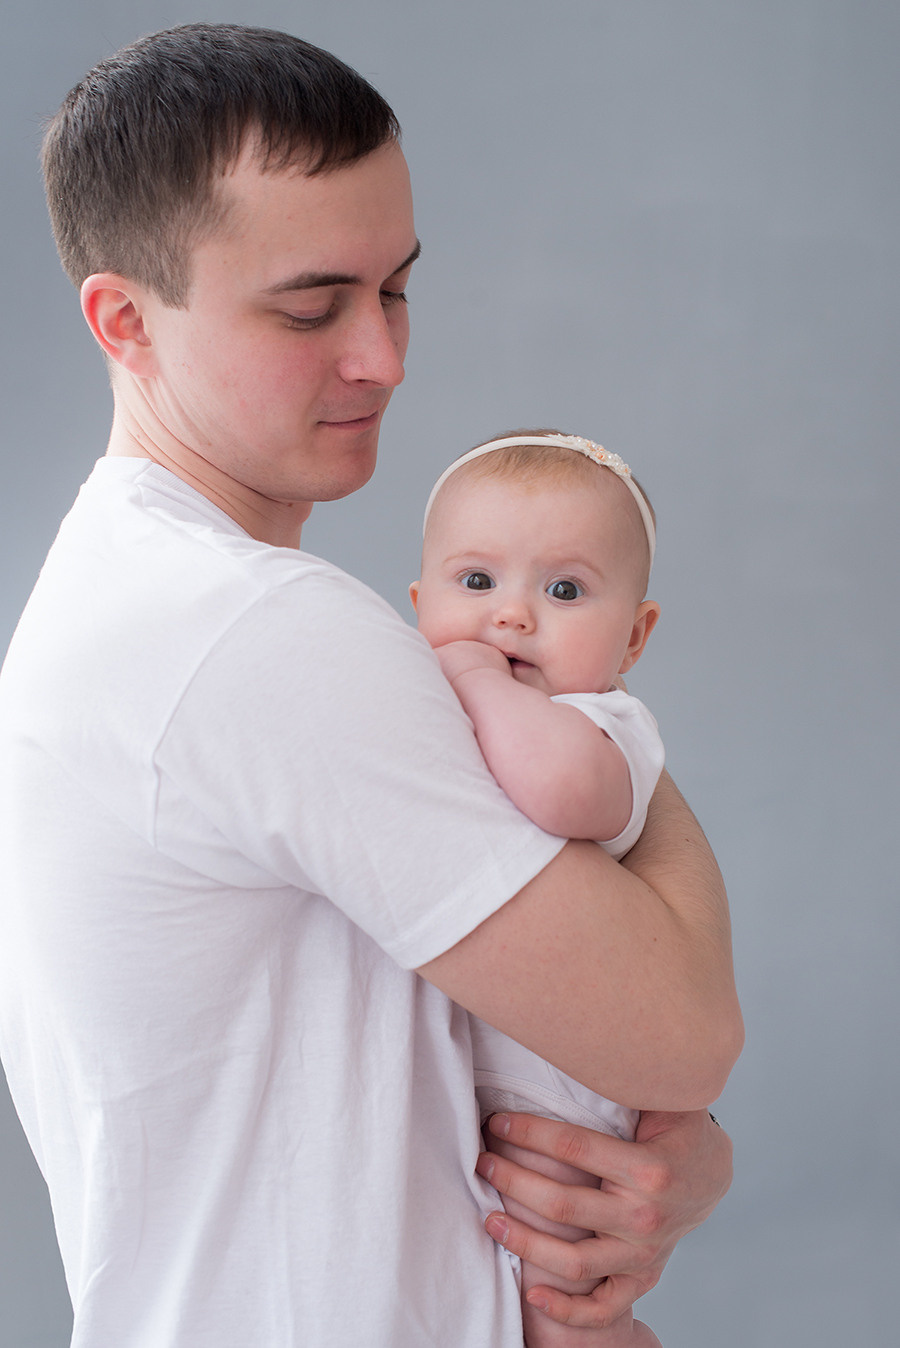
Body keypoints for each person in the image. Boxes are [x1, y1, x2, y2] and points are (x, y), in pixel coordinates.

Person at [0, 23, 742, 1348]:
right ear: (125, 321)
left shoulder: (127, 597)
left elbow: (523, 1062)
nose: (386, 359)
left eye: (396, 289)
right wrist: (615, 740)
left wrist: (663, 1168)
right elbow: (681, 1034)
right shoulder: (247, 634)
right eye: (311, 306)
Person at [411, 430, 671, 1346]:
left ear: (633, 636)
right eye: (475, 583)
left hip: (562, 1114)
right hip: (472, 1108)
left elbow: (556, 790)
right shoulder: (414, 706)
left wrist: (476, 679)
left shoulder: (605, 729)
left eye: (563, 591)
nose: (511, 617)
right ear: (418, 603)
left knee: (567, 1313)